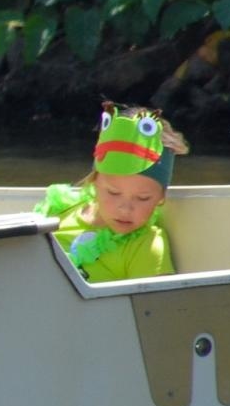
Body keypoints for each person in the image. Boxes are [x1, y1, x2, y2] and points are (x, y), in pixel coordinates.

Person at [35, 102, 191, 281]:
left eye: (143, 198)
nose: (125, 209)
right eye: (113, 193)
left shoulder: (145, 246)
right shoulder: (57, 212)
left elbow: (152, 306)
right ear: (94, 182)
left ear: (161, 198)